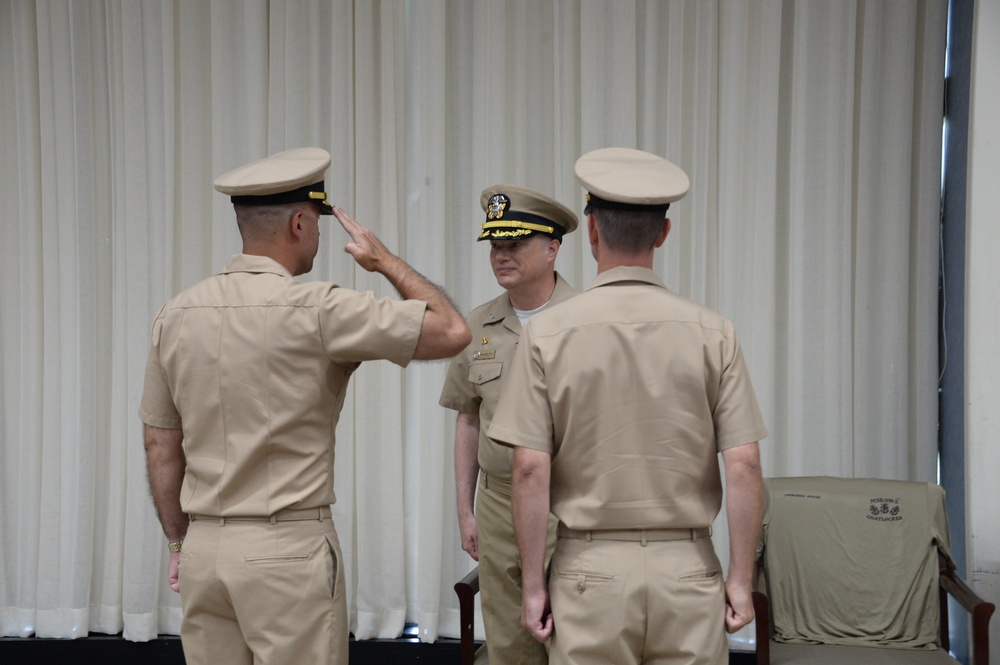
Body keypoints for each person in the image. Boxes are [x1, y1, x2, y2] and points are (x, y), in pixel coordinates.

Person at [139, 147, 471, 665]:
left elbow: (159, 443)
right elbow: (451, 331)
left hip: (205, 553)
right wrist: (384, 260)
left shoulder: (175, 315)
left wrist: (180, 545)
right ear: (299, 223)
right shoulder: (319, 309)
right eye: (316, 221)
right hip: (287, 552)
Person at [488, 147, 768, 665]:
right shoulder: (714, 333)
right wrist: (740, 580)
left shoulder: (547, 333)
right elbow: (745, 464)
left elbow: (529, 468)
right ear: (662, 234)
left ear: (591, 231)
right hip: (687, 571)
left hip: (588, 573)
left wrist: (532, 586)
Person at [439, 184, 578, 664]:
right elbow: (468, 418)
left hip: (571, 501)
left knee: (575, 635)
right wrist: (465, 510)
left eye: (514, 244)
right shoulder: (476, 325)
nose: (502, 256)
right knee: (508, 639)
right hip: (498, 502)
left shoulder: (586, 322)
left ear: (552, 247)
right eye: (496, 246)